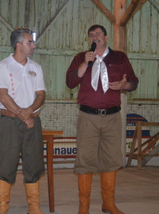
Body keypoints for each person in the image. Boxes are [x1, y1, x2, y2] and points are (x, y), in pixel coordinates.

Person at [66, 24, 139, 214]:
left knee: (111, 159)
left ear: (106, 38)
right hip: (87, 116)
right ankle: (84, 207)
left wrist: (126, 85)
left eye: (98, 34)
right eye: (91, 35)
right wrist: (84, 64)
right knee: (85, 160)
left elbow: (133, 82)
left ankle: (108, 203)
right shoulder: (80, 57)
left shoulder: (119, 58)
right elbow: (70, 82)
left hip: (112, 117)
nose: (94, 37)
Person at [0, 28, 46, 214]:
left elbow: (41, 95)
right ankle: (2, 209)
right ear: (18, 45)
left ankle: (34, 207)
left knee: (34, 164)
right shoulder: (3, 66)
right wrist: (22, 115)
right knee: (6, 165)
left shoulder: (36, 67)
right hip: (10, 123)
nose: (33, 45)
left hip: (33, 122)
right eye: (29, 42)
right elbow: (2, 95)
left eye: (32, 42)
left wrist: (30, 112)